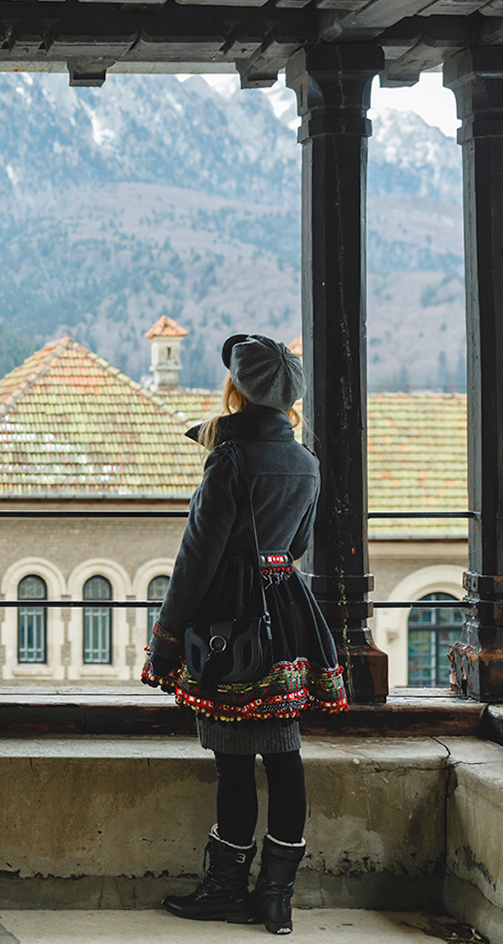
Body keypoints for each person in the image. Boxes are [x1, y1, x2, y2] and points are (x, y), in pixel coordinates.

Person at [142, 333, 349, 936]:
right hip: (288, 615)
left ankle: (224, 888)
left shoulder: (228, 459)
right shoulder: (307, 463)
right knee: (286, 757)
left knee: (234, 764)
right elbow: (300, 546)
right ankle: (276, 898)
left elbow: (197, 558)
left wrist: (168, 634)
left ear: (236, 390)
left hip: (231, 621)